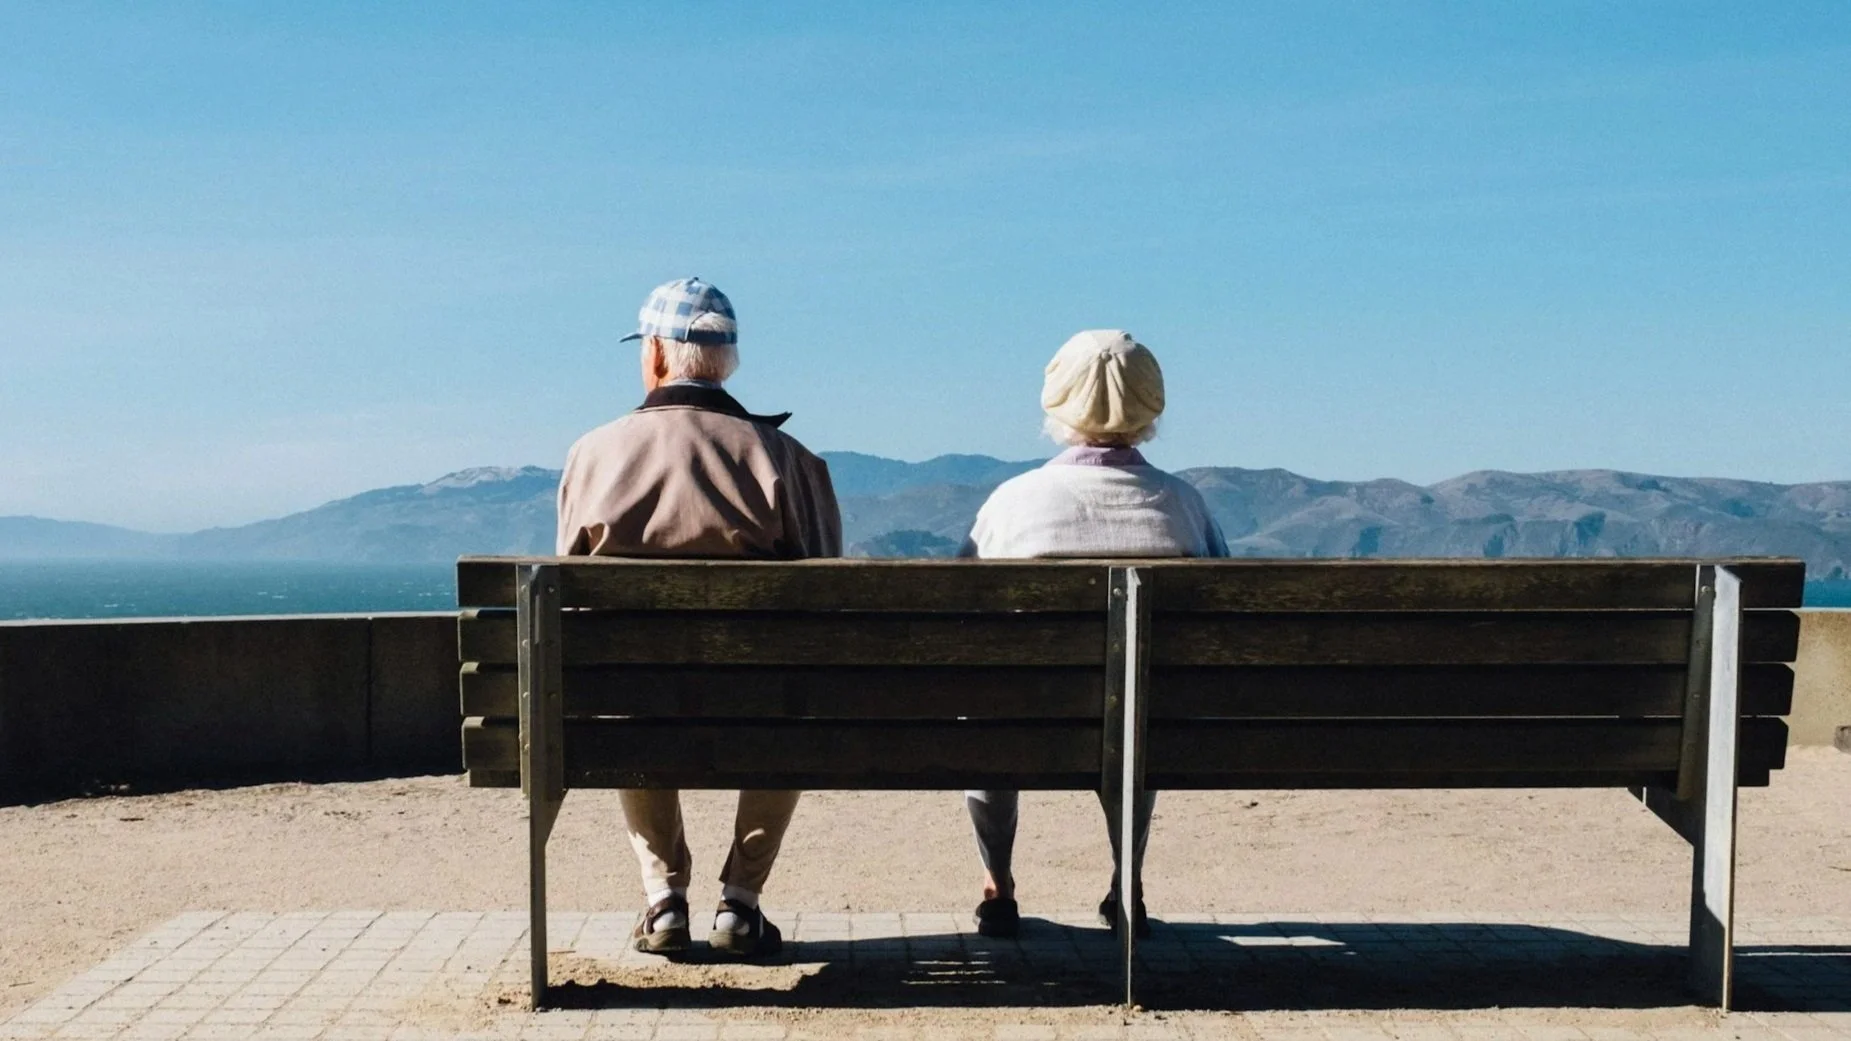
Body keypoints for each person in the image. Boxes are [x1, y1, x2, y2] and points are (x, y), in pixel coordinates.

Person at [556, 276, 841, 959]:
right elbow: (831, 603)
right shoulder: (789, 462)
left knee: (621, 690)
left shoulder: (593, 454)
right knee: (791, 697)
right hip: (761, 706)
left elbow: (567, 605)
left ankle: (663, 899)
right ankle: (740, 901)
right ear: (726, 363)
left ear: (654, 354)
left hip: (637, 708)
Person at [959, 329, 1228, 939]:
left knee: (988, 716)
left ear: (1056, 404)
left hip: (1026, 722)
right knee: (1135, 711)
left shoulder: (1012, 504)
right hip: (1149, 726)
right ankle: (1124, 881)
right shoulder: (1184, 506)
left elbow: (960, 619)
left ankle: (998, 885)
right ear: (1151, 406)